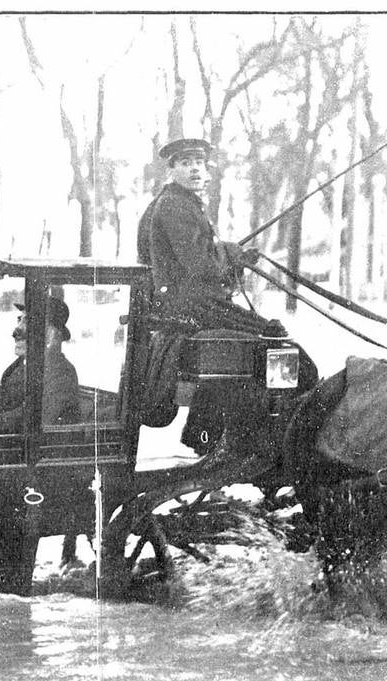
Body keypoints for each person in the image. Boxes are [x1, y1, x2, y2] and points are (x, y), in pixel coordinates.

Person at [135, 139, 284, 452]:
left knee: (262, 339)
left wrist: (233, 253)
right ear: (172, 169)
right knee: (272, 337)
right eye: (186, 162)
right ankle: (224, 442)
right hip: (194, 306)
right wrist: (231, 255)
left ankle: (212, 438)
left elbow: (200, 253)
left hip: (195, 303)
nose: (194, 169)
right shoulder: (175, 205)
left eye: (199, 163)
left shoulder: (181, 202)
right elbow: (199, 264)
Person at [0, 294, 80, 434]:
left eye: (28, 322)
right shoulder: (17, 367)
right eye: (19, 320)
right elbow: (3, 408)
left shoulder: (62, 372)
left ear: (51, 334)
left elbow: (39, 413)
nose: (16, 331)